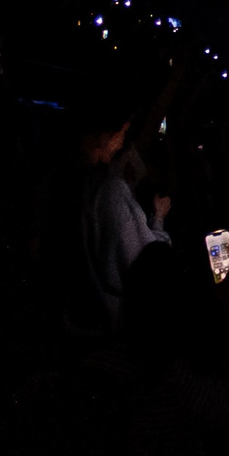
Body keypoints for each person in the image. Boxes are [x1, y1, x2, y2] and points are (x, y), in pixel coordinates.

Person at [77, 98, 169, 330]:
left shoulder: (76, 181)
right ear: (104, 134)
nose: (121, 144)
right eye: (122, 132)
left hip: (85, 316)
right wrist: (159, 218)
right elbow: (148, 264)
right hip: (112, 326)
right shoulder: (111, 191)